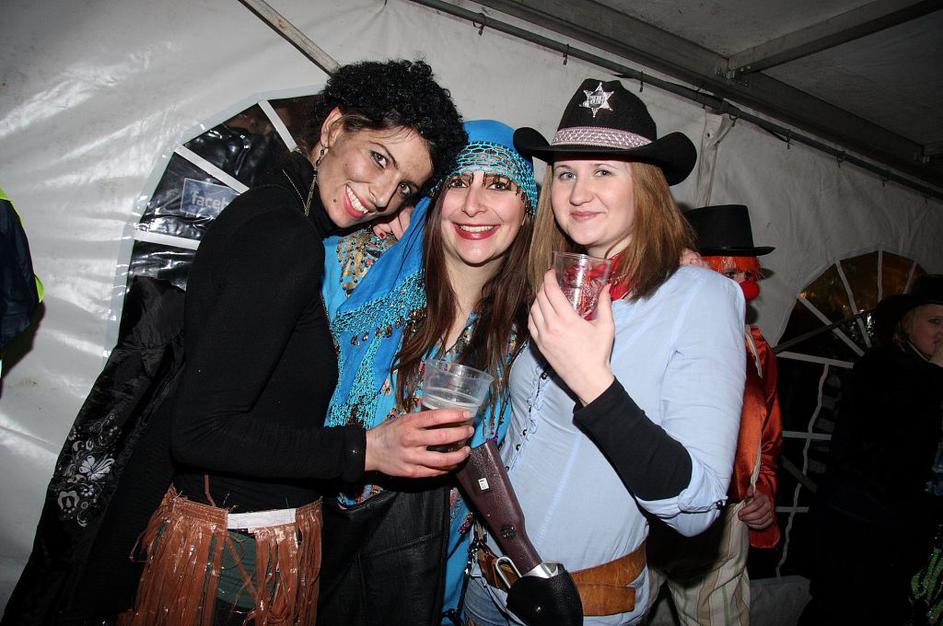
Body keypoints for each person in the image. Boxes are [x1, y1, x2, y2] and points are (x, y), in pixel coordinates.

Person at [116, 59, 468, 625]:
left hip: (233, 541)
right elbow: (201, 431)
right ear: (333, 129)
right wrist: (367, 450)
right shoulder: (286, 239)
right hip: (231, 557)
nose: (383, 195)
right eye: (379, 158)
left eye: (405, 186)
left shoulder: (277, 211)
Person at [463, 78, 745, 626]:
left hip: (577, 608)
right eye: (566, 173)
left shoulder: (701, 297)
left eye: (603, 171)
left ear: (645, 187)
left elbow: (698, 508)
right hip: (484, 583)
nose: (578, 192)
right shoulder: (554, 281)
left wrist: (592, 380)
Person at [317, 120, 539, 625]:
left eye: (498, 184)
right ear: (435, 199)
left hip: (428, 587)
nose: (473, 205)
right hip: (319, 560)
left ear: (527, 209)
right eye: (458, 182)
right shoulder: (351, 273)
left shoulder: (533, 335)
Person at [647, 203, 783, 625]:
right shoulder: (650, 328)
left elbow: (768, 438)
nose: (741, 288)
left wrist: (763, 492)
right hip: (646, 513)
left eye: (746, 275)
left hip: (724, 522)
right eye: (727, 274)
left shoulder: (757, 348)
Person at [800, 274, 943, 626]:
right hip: (861, 529)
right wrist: (937, 372)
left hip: (909, 531)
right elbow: (888, 446)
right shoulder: (881, 367)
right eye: (935, 321)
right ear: (907, 324)